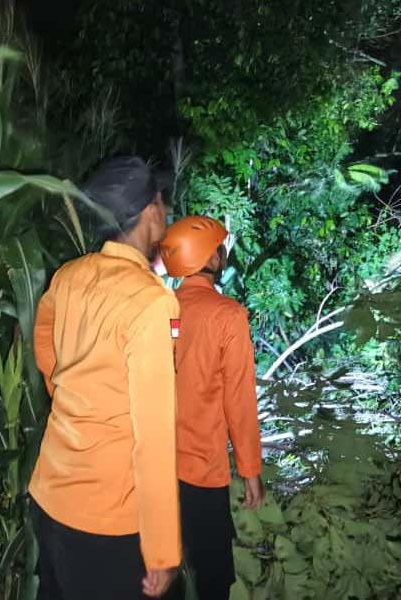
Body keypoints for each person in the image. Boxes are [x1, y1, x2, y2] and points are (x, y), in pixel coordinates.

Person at [29, 156, 181, 600]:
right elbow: (154, 436)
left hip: (51, 495)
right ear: (151, 211)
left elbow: (45, 350)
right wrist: (161, 549)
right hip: (108, 521)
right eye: (162, 203)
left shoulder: (68, 276)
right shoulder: (151, 303)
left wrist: (77, 404)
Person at [158, 216, 265, 600]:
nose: (224, 254)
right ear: (211, 258)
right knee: (211, 581)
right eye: (220, 248)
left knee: (164, 574)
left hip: (156, 467)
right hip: (202, 471)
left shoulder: (160, 309)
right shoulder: (228, 316)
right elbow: (239, 400)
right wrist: (250, 470)